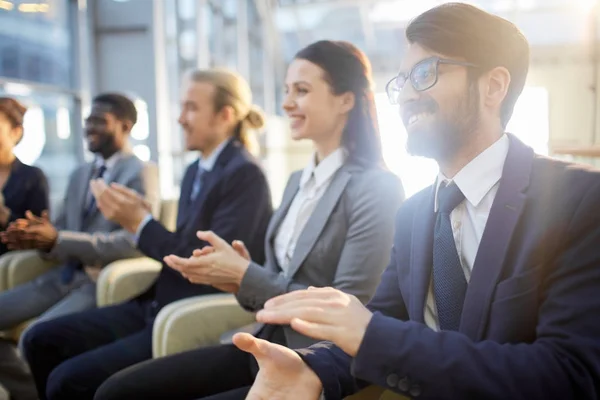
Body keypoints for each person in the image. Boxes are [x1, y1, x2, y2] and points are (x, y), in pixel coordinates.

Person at [230, 3, 600, 400]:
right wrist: (311, 366)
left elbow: (569, 374)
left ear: (493, 86)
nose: (405, 96)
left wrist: (372, 335)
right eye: (402, 80)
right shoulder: (415, 213)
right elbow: (384, 319)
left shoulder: (577, 199)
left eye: (425, 74)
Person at [94, 40, 404, 400]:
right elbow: (275, 284)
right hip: (265, 345)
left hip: (313, 362)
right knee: (116, 392)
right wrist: (238, 278)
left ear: (346, 100)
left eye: (301, 91)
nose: (287, 103)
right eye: (287, 90)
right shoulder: (296, 182)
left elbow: (346, 310)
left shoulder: (377, 188)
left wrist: (247, 276)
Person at [22, 68, 274, 400]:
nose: (180, 119)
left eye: (191, 108)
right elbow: (187, 243)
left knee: (67, 381)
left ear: (225, 115)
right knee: (40, 339)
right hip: (154, 302)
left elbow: (210, 264)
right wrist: (142, 221)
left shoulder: (245, 175)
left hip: (181, 311)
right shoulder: (196, 170)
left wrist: (141, 224)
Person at [0, 93, 159, 337]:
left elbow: (134, 242)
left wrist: (57, 239)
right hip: (62, 275)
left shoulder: (141, 172)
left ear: (125, 126)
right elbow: (61, 228)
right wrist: (38, 235)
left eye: (99, 121)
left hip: (99, 282)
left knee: (35, 335)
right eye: (87, 121)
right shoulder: (80, 174)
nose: (89, 128)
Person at [0, 97, 49, 255]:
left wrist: (3, 215)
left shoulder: (33, 177)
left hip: (13, 262)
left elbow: (40, 234)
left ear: (16, 132)